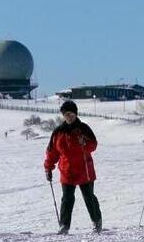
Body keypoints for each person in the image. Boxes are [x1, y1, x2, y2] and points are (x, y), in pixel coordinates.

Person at [44, 100, 103, 234]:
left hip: (85, 170)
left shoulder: (84, 128)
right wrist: (48, 167)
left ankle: (97, 221)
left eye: (71, 114)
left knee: (89, 197)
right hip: (67, 171)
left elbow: (93, 145)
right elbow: (52, 152)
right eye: (66, 114)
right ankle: (64, 226)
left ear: (75, 114)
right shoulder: (58, 132)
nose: (69, 116)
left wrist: (85, 143)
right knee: (67, 198)